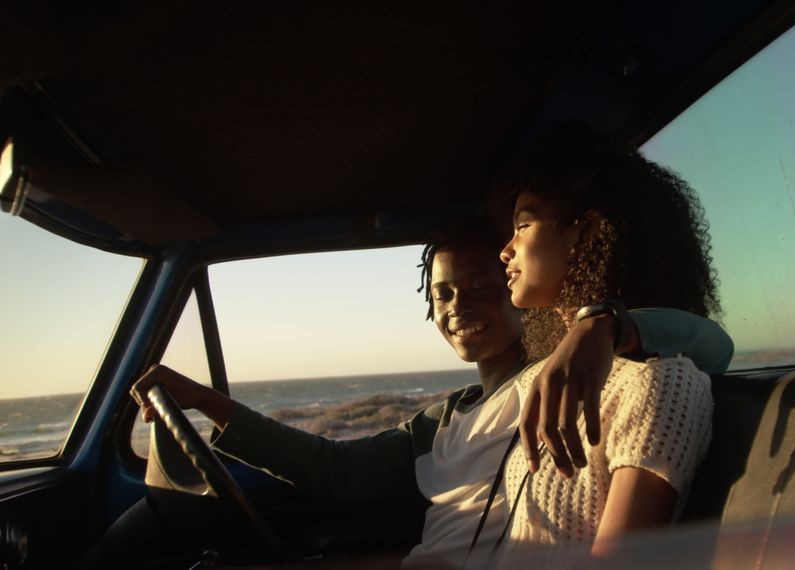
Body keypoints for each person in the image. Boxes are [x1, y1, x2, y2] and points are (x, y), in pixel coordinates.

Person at [131, 218, 731, 568]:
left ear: (516, 291)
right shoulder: (447, 417)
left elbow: (710, 347)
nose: (459, 308)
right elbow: (336, 471)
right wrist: (205, 402)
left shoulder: (558, 381)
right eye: (443, 295)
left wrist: (602, 326)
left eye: (479, 288)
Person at [495, 127, 720, 566]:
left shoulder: (660, 383)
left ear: (586, 232)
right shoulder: (548, 379)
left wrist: (602, 322)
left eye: (523, 225)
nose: (506, 250)